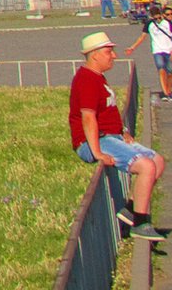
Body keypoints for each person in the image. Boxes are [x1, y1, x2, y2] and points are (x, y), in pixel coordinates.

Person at [70, 30, 165, 241]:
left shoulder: (98, 77)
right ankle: (141, 222)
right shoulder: (86, 79)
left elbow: (106, 111)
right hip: (94, 141)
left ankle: (130, 210)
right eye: (109, 52)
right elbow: (88, 118)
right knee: (145, 166)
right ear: (94, 55)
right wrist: (96, 152)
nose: (114, 56)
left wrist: (122, 132)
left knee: (157, 161)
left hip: (111, 137)